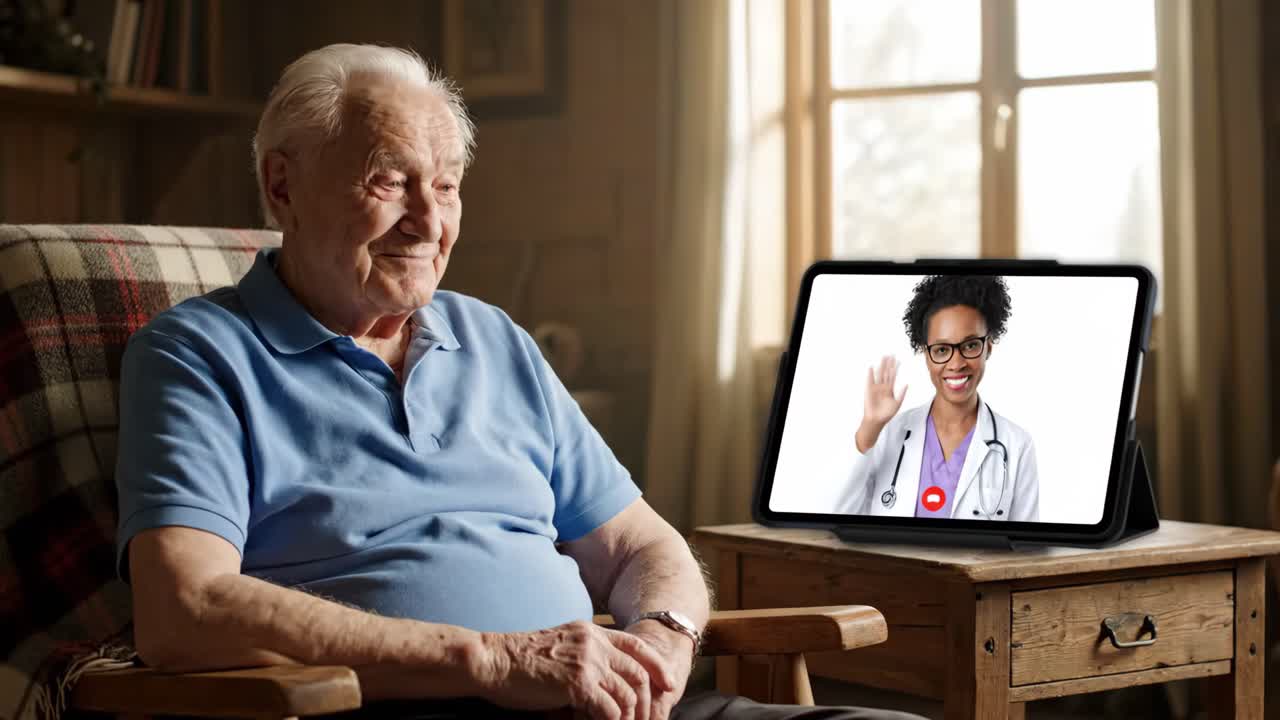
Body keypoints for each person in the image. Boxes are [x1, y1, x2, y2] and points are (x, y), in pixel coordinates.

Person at [113, 43, 923, 720]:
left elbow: (641, 544)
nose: (429, 223)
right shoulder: (198, 355)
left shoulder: (491, 337)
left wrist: (667, 640)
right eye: (391, 181)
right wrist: (491, 659)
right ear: (282, 186)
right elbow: (186, 609)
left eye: (447, 186)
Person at [834, 275, 1040, 521]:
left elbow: (1025, 546)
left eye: (971, 345)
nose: (956, 363)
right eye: (942, 350)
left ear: (988, 348)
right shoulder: (890, 433)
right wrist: (869, 428)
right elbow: (838, 518)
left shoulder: (1016, 444)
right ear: (925, 354)